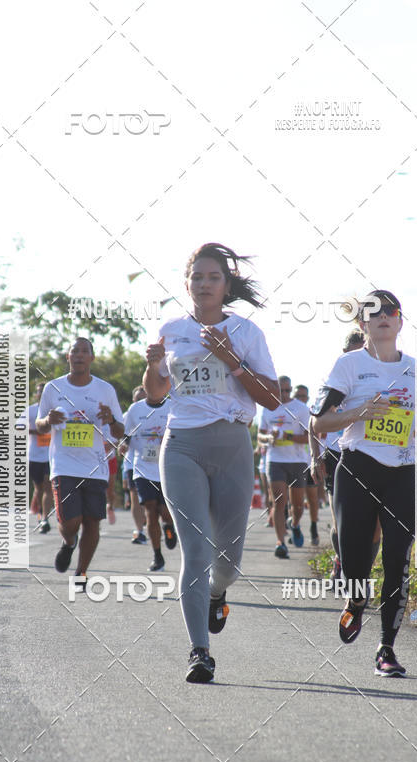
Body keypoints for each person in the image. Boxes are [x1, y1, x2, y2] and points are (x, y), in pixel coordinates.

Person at [144, 243, 280, 683]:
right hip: (181, 444)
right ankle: (199, 651)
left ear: (226, 286)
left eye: (213, 278)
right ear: (187, 284)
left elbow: (272, 399)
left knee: (228, 561)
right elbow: (154, 394)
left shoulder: (246, 332)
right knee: (195, 550)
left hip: (233, 446)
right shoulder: (171, 330)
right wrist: (152, 367)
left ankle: (218, 592)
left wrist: (231, 360)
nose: (203, 284)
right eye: (196, 277)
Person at [311, 291, 416, 677]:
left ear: (400, 322)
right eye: (374, 312)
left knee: (397, 561)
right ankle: (356, 602)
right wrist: (361, 412)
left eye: (392, 311)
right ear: (363, 324)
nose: (384, 316)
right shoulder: (349, 365)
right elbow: (320, 422)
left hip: (403, 472)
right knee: (356, 562)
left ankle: (386, 648)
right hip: (357, 468)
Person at [36, 337, 126, 583]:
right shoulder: (53, 388)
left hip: (95, 466)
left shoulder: (105, 390)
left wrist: (110, 420)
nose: (79, 355)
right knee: (71, 521)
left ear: (92, 358)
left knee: (92, 522)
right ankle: (68, 543)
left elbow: (120, 431)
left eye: (84, 351)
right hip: (64, 466)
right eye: (74, 351)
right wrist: (48, 421)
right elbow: (40, 425)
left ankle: (81, 572)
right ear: (68, 356)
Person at [309, 329, 381, 584]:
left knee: (374, 525)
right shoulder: (335, 379)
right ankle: (343, 562)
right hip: (336, 455)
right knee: (342, 521)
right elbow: (313, 422)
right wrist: (314, 456)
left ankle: (363, 573)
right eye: (354, 352)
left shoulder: (379, 377)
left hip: (371, 454)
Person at [120, 395, 177, 571]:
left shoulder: (173, 406)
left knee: (165, 512)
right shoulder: (135, 410)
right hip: (143, 469)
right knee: (150, 510)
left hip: (168, 469)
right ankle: (157, 555)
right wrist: (122, 445)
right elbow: (126, 436)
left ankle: (169, 526)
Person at [258, 376, 310, 558]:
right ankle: (280, 543)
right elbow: (260, 436)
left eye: (288, 390)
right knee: (279, 502)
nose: (284, 394)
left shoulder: (301, 409)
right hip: (275, 461)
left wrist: (286, 436)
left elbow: (307, 438)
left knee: (297, 506)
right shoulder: (267, 407)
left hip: (297, 461)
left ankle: (294, 524)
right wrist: (269, 439)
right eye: (281, 390)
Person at [24, 382, 53, 534]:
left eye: (43, 392)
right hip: (34, 455)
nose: (41, 394)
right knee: (39, 488)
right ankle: (41, 512)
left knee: (48, 486)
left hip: (51, 455)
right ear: (36, 395)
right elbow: (17, 426)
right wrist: (36, 432)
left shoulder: (53, 411)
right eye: (38, 392)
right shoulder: (30, 410)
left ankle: (45, 518)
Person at [293, 384, 320, 546]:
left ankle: (314, 527)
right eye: (297, 397)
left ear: (308, 398)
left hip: (307, 461)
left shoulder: (310, 412)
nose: (300, 400)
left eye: (303, 397)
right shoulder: (288, 412)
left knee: (312, 497)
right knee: (295, 502)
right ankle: (295, 524)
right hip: (292, 462)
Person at [122, 386, 148, 543]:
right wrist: (123, 444)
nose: (141, 402)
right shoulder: (128, 414)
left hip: (155, 465)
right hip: (133, 462)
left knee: (155, 503)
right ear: (133, 400)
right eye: (138, 399)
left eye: (144, 398)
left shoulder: (160, 412)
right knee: (135, 497)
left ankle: (165, 525)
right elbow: (122, 436)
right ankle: (139, 531)